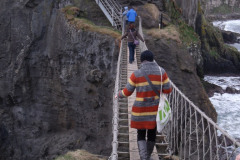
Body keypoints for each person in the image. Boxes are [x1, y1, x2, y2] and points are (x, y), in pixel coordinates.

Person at [115, 50, 172, 160]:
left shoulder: (136, 74)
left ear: (141, 61)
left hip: (139, 110)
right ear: (152, 59)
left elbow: (127, 92)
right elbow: (168, 89)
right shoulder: (162, 72)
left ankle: (143, 157)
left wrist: (118, 94)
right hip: (155, 111)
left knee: (140, 134)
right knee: (152, 134)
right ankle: (147, 156)